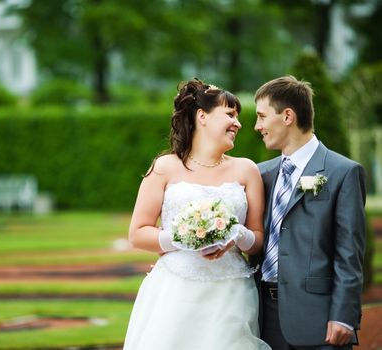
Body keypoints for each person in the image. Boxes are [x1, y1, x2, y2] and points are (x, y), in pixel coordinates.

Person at [123, 78, 271, 349]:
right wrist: (183, 239)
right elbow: (138, 233)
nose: (238, 124)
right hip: (174, 290)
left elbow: (258, 238)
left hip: (231, 292)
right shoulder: (165, 167)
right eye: (230, 115)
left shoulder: (247, 170)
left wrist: (236, 234)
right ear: (202, 116)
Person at [251, 75, 366, 350]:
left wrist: (344, 316)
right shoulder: (261, 174)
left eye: (262, 116)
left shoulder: (343, 172)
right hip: (262, 317)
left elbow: (349, 252)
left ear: (287, 116)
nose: (257, 126)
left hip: (320, 319)